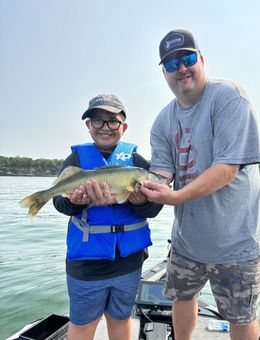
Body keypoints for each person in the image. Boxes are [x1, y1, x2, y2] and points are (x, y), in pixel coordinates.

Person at [140, 29, 260, 340]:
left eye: (187, 58)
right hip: (186, 242)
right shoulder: (161, 122)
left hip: (236, 243)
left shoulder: (229, 97)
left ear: (201, 59)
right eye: (171, 64)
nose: (181, 68)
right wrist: (137, 190)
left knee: (242, 316)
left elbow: (227, 168)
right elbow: (162, 172)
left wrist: (176, 196)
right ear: (164, 73)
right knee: (181, 298)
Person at [53, 94, 162, 340]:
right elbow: (59, 203)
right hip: (86, 263)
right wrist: (73, 201)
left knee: (121, 319)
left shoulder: (137, 162)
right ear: (88, 126)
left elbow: (154, 209)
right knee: (82, 324)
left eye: (112, 121)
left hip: (128, 261)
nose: (105, 127)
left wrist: (141, 200)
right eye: (97, 121)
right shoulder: (75, 161)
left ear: (123, 127)